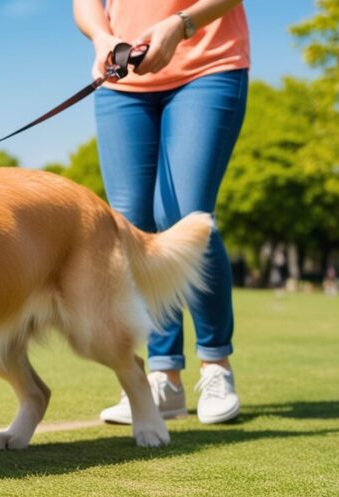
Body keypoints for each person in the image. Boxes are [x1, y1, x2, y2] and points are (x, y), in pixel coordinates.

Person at [73, 0, 249, 424]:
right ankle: (163, 377)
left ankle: (215, 366)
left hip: (207, 66)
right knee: (131, 228)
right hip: (122, 82)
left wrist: (181, 23)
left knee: (185, 216)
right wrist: (102, 37)